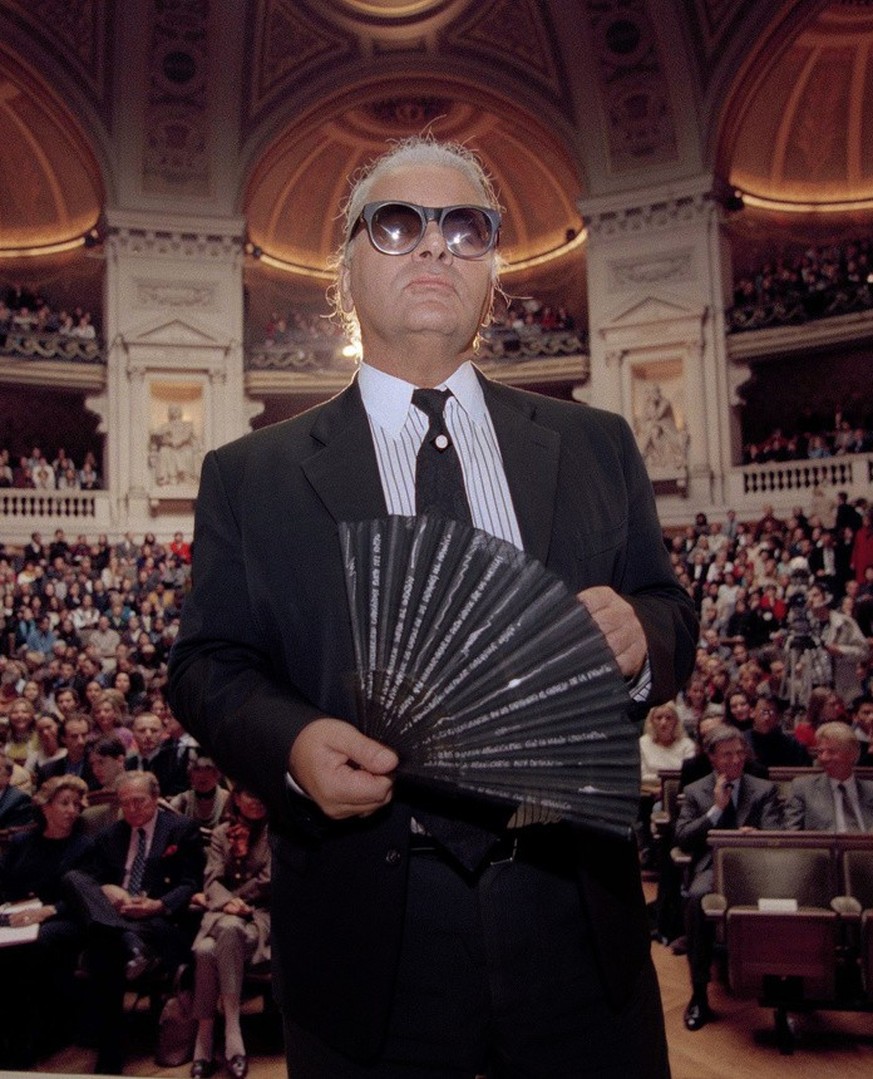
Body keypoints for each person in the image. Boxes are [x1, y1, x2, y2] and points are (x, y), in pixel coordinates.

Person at [168, 136, 698, 1078]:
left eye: (465, 228)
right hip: (368, 940)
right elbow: (209, 663)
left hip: (577, 923)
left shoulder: (598, 443)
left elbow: (664, 602)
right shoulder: (249, 476)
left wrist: (642, 634)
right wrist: (291, 744)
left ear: (491, 268)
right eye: (398, 223)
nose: (434, 247)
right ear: (346, 267)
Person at [63, 770, 204, 1074]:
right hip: (118, 917)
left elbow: (192, 883)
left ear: (156, 798)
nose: (132, 810)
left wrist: (158, 905)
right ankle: (126, 940)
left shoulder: (181, 830)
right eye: (124, 804)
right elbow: (93, 879)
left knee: (103, 951)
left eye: (138, 802)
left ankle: (109, 1052)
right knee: (74, 879)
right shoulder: (110, 835)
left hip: (158, 923)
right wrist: (108, 889)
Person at [674, 725, 783, 1031]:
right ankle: (698, 993)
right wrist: (716, 811)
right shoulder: (697, 791)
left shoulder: (763, 789)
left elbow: (779, 834)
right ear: (712, 759)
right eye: (727, 755)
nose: (736, 760)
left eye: (740, 753)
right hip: (713, 869)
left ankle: (780, 986)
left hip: (757, 869)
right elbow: (682, 838)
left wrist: (757, 836)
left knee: (788, 901)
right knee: (697, 898)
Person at [0, 775, 92, 1068]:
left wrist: (47, 911)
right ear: (45, 806)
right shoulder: (22, 841)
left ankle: (34, 1038)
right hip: (18, 914)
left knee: (36, 944)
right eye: (64, 803)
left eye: (76, 805)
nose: (71, 811)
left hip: (66, 918)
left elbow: (85, 897)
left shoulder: (84, 846)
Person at [190, 787, 272, 1078]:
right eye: (250, 794)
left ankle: (215, 1035)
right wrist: (227, 903)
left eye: (261, 794)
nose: (257, 800)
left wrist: (236, 902)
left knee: (209, 945)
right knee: (212, 942)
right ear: (236, 798)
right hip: (225, 914)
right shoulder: (221, 833)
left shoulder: (276, 832)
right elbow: (211, 879)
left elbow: (267, 882)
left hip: (259, 917)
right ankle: (221, 1032)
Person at [784, 722, 873, 830]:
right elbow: (791, 833)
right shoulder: (803, 788)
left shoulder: (870, 790)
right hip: (822, 846)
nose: (824, 758)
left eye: (831, 752)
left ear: (852, 754)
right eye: (820, 752)